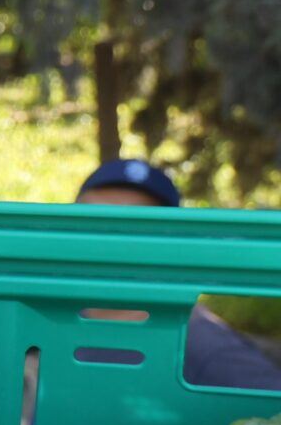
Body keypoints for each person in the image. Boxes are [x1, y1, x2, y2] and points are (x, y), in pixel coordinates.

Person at [74, 158, 281, 391]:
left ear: (168, 243)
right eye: (94, 220)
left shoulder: (202, 347)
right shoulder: (50, 323)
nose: (106, 242)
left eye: (132, 228)